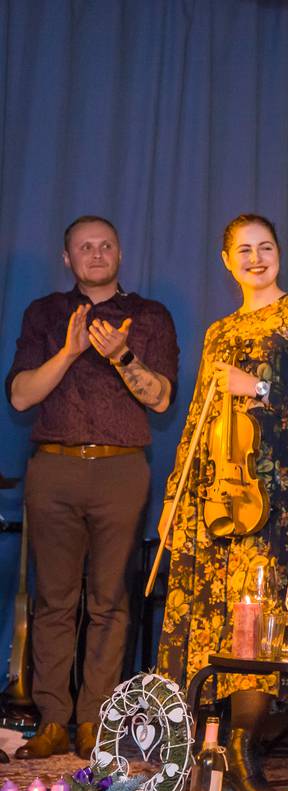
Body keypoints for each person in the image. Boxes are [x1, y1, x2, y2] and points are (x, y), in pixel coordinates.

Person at [156, 214, 288, 791]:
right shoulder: (219, 331)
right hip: (214, 493)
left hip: (274, 492)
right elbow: (197, 418)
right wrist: (174, 495)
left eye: (266, 247)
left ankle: (243, 748)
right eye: (244, 250)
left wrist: (255, 387)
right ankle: (201, 751)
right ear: (226, 261)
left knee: (257, 619)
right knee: (208, 617)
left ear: (279, 252)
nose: (256, 258)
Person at [6, 216, 179, 760]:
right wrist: (70, 351)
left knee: (110, 601)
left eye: (106, 245)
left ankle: (94, 721)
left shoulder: (150, 316)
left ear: (120, 253)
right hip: (54, 469)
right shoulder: (44, 313)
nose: (97, 253)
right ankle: (53, 720)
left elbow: (161, 400)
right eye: (85, 247)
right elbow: (20, 396)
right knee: (54, 600)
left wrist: (121, 356)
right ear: (68, 258)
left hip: (120, 470)